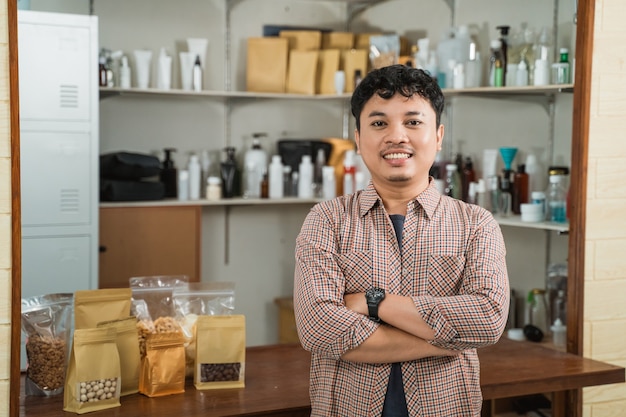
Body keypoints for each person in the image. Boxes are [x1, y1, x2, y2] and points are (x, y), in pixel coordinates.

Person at [293, 64, 510, 417]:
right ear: (359, 139)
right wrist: (445, 343)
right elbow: (319, 329)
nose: (397, 136)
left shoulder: (476, 224)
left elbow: (487, 319)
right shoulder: (327, 220)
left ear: (438, 136)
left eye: (413, 122)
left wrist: (371, 302)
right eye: (379, 123)